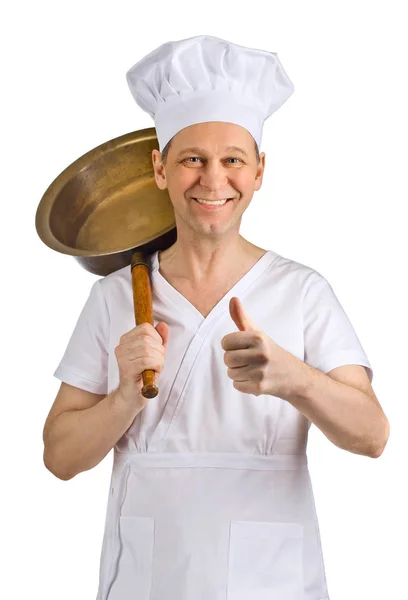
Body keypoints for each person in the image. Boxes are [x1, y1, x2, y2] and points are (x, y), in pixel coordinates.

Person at [42, 35, 390, 600]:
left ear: (258, 171)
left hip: (271, 580)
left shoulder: (301, 291)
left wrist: (293, 379)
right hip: (146, 580)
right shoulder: (114, 299)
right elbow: (58, 457)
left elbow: (373, 436)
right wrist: (125, 395)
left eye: (233, 160)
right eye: (191, 160)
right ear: (159, 169)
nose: (212, 180)